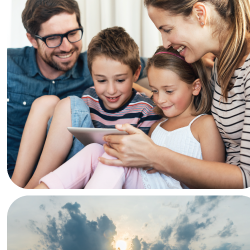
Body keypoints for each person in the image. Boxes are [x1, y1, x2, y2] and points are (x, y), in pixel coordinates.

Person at [98, 0, 250, 189]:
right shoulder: (217, 64)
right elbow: (173, 89)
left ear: (199, 14)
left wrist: (155, 155)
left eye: (167, 29)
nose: (166, 43)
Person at [7, 0, 152, 181]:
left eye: (73, 34)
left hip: (71, 168)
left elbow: (157, 65)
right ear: (33, 39)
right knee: (47, 102)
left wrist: (200, 55)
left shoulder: (98, 65)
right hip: (14, 168)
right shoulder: (9, 64)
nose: (66, 46)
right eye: (53, 38)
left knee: (60, 103)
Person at [34, 46, 224, 189]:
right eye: (155, 91)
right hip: (143, 182)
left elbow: (215, 178)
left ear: (195, 87)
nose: (160, 99)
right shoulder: (157, 125)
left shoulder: (203, 125)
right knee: (95, 150)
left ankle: (89, 212)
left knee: (113, 159)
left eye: (169, 91)